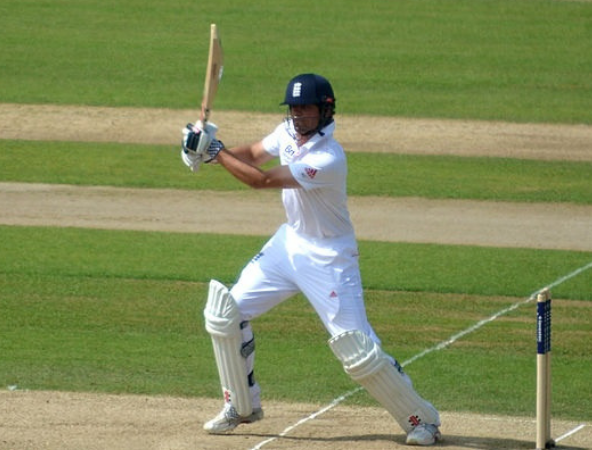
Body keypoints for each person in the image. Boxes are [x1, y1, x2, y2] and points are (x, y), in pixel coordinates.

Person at [180, 73, 442, 446]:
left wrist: (215, 151)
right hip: (289, 245)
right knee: (225, 314)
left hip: (330, 258)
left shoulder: (328, 158)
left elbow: (261, 180)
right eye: (293, 108)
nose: (298, 115)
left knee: (358, 350)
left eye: (306, 108)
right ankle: (240, 406)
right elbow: (253, 155)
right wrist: (201, 151)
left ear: (326, 110)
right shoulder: (286, 133)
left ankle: (422, 419)